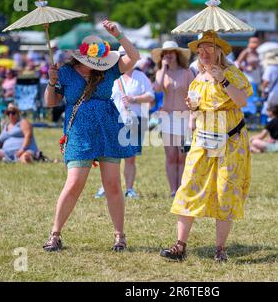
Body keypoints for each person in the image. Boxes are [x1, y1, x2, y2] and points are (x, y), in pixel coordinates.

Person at [42, 20, 140, 252]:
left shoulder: (108, 69)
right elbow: (50, 103)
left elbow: (134, 57)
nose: (93, 64)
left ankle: (119, 236)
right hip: (78, 131)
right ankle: (55, 234)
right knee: (74, 183)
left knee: (113, 184)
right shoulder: (65, 72)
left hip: (108, 129)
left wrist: (119, 35)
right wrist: (51, 81)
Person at [160, 31, 253, 262]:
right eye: (200, 50)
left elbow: (242, 101)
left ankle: (220, 250)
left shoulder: (232, 73)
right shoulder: (198, 77)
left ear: (219, 51)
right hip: (203, 139)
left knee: (224, 192)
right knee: (189, 187)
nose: (204, 53)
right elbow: (196, 109)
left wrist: (222, 79)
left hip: (230, 141)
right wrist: (192, 108)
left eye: (209, 49)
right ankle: (180, 246)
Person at [95, 51, 155, 199]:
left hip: (135, 120)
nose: (126, 59)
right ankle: (105, 187)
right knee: (110, 156)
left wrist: (134, 99)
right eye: (123, 56)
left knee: (130, 157)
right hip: (113, 120)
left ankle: (129, 189)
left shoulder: (140, 76)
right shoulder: (111, 76)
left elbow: (151, 96)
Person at [152, 41, 194, 198]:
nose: (168, 55)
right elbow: (156, 89)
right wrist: (163, 68)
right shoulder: (161, 73)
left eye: (171, 52)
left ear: (177, 54)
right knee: (170, 156)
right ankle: (173, 190)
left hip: (184, 117)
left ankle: (182, 189)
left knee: (182, 156)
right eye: (165, 52)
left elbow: (193, 94)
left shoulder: (187, 72)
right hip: (167, 117)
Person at [260, 51, 278, 116]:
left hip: (273, 92)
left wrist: (262, 91)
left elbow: (266, 81)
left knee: (270, 109)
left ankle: (271, 123)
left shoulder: (269, 68)